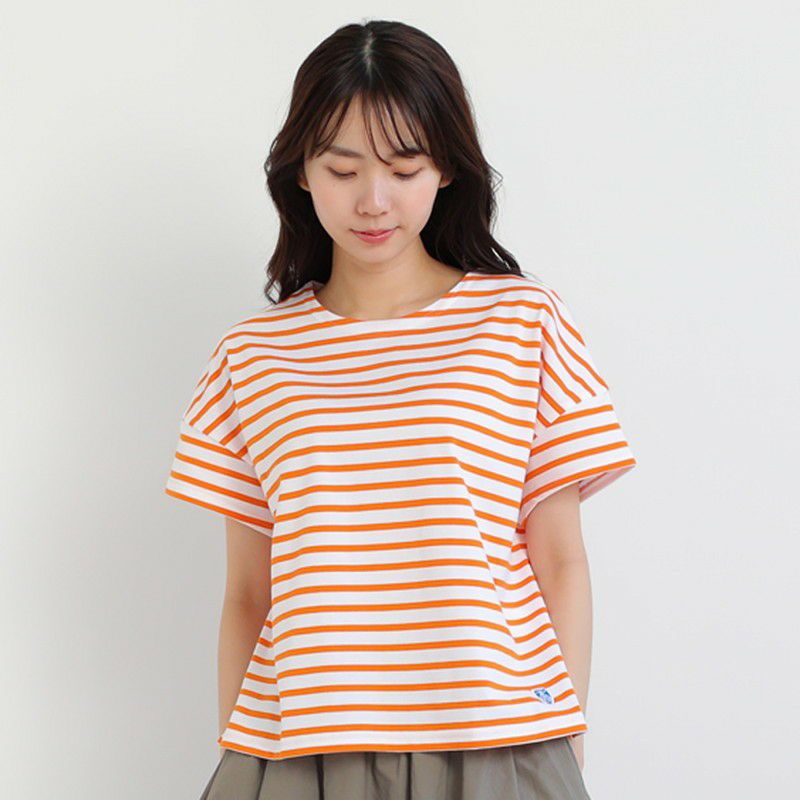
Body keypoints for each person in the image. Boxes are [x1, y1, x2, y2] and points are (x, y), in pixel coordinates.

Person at [164, 18, 637, 800]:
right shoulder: (251, 357)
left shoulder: (523, 324)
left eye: (404, 167)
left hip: (496, 737)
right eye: (342, 168)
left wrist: (568, 738)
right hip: (301, 747)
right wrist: (239, 754)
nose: (374, 201)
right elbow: (248, 592)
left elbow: (559, 557)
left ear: (446, 166)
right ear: (302, 171)